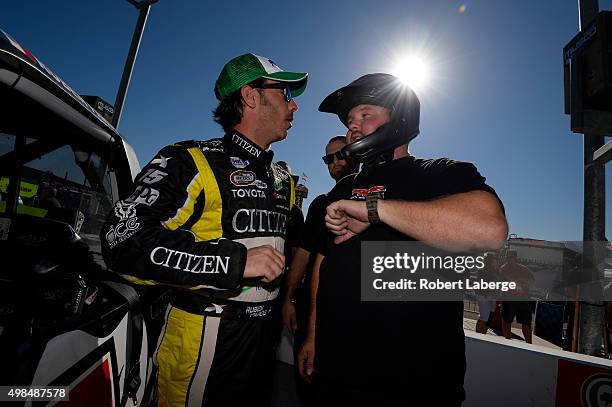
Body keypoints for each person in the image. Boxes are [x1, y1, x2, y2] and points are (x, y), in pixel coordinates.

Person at [100, 53, 307, 407]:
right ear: (251, 97)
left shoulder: (283, 178)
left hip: (262, 340)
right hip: (203, 335)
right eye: (286, 92)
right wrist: (234, 263)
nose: (294, 106)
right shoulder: (190, 159)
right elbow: (122, 241)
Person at [298, 73, 508, 405]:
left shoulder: (439, 172)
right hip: (336, 373)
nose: (354, 126)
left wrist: (374, 209)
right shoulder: (340, 188)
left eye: (366, 114)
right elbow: (323, 262)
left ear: (401, 119)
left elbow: (490, 229)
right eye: (350, 120)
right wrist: (312, 334)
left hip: (414, 381)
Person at [280, 135, 356, 402]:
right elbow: (304, 252)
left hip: (353, 315)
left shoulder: (376, 197)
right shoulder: (321, 203)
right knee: (309, 382)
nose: (334, 161)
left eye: (340, 154)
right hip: (312, 306)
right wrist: (288, 298)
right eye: (328, 158)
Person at [501, 250, 535, 344]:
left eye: (510, 257)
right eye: (507, 257)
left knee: (526, 322)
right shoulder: (503, 268)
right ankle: (507, 342)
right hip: (508, 299)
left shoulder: (523, 269)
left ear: (515, 258)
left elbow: (532, 281)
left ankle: (529, 345)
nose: (508, 259)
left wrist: (518, 280)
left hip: (523, 299)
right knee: (507, 321)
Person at [475, 251, 500, 334]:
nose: (496, 260)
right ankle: (478, 334)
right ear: (490, 260)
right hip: (484, 296)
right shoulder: (483, 270)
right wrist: (487, 294)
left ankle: (483, 333)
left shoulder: (494, 270)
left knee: (489, 317)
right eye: (494, 259)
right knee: (484, 317)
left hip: (491, 296)